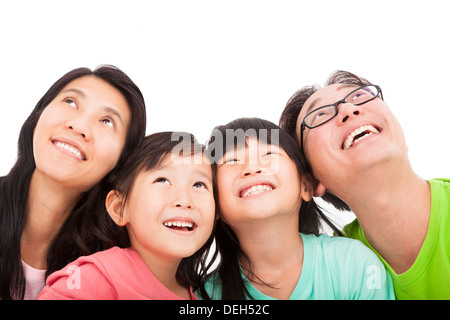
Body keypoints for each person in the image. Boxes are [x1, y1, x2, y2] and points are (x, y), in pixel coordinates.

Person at [279, 70, 450, 299]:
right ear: (310, 183)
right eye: (320, 115)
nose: (348, 109)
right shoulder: (331, 271)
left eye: (359, 96)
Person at [198, 117, 394, 300]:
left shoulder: (352, 263)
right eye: (231, 161)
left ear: (306, 186)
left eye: (269, 154)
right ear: (214, 204)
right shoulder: (205, 295)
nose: (252, 168)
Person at [0, 65, 147, 300]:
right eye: (70, 101)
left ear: (121, 161)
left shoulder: (110, 268)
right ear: (38, 115)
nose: (78, 126)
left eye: (107, 121)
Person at [38, 132, 217, 299]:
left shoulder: (202, 292)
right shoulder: (92, 277)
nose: (184, 200)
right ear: (119, 208)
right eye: (162, 180)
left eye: (199, 185)